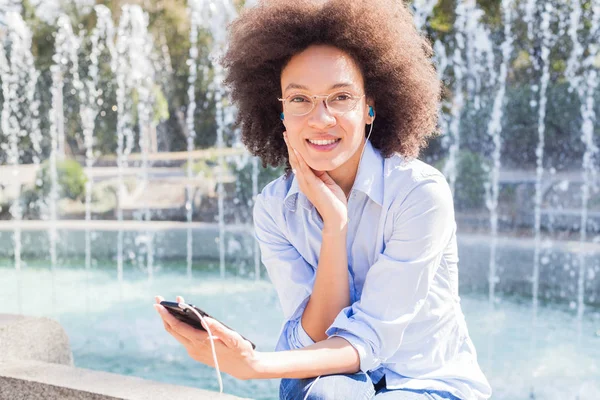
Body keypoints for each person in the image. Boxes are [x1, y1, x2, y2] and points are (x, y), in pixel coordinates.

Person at [154, 0, 492, 399]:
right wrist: (335, 227)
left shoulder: (418, 193)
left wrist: (254, 366)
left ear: (370, 106)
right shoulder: (275, 209)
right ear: (279, 112)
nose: (320, 118)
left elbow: (371, 339)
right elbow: (312, 337)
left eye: (341, 97)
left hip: (427, 384)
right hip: (331, 382)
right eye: (299, 99)